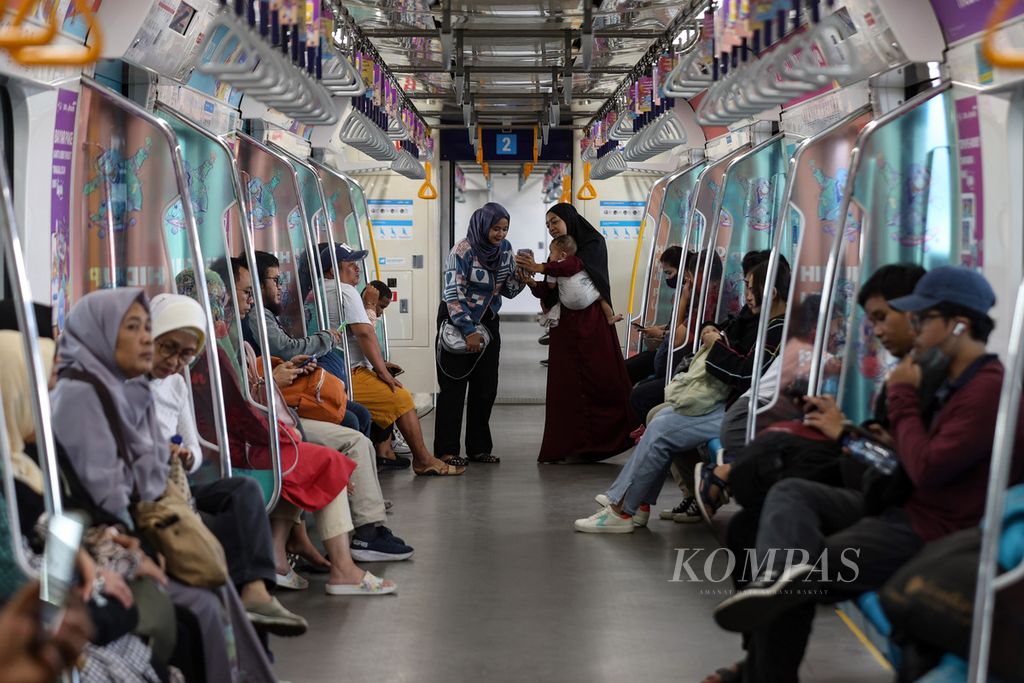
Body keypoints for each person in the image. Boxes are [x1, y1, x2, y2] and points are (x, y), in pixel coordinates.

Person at [709, 267, 1024, 683]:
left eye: (922, 320)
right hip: (902, 504)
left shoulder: (984, 389)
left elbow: (927, 468)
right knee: (787, 503)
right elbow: (917, 456)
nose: (912, 328)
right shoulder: (949, 380)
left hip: (929, 526)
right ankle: (774, 590)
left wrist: (901, 400)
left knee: (798, 574)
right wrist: (881, 435)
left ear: (958, 325)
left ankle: (766, 650)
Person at [49, 288, 279, 683]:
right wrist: (138, 551)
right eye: (134, 327)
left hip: (134, 522)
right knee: (207, 592)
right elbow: (102, 498)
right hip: (112, 537)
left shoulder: (123, 388)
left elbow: (153, 473)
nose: (145, 339)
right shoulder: (81, 396)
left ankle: (252, 656)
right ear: (102, 333)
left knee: (223, 561)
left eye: (146, 327)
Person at [176, 269, 399, 595]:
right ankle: (343, 569)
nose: (248, 300)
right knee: (325, 463)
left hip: (237, 438)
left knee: (316, 453)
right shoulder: (211, 349)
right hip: (236, 448)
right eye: (242, 292)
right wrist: (288, 432)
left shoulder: (210, 342)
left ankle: (279, 557)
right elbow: (240, 412)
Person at [574, 256, 789, 533]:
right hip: (738, 405)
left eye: (749, 288)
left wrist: (716, 347)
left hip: (749, 413)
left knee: (663, 426)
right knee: (663, 416)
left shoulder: (777, 329)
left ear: (770, 292)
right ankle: (633, 506)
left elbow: (747, 376)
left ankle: (621, 509)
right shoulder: (766, 322)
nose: (745, 296)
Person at [147, 293, 309, 636]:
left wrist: (186, 457)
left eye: (186, 355)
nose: (176, 362)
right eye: (168, 348)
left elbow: (191, 446)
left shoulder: (175, 383)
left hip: (175, 479)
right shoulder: (130, 383)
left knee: (243, 490)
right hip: (148, 488)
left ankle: (257, 591)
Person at [321, 243, 463, 476]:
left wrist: (379, 365)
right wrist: (382, 371)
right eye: (350, 265)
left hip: (335, 367)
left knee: (387, 389)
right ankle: (423, 460)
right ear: (331, 270)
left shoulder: (318, 290)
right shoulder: (343, 291)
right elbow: (364, 333)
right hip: (347, 372)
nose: (357, 269)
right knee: (401, 397)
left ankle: (385, 450)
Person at [515, 202, 637, 463]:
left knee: (603, 381)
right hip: (565, 329)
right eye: (547, 224)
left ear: (569, 219)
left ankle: (613, 440)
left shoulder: (593, 243)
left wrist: (542, 267)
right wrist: (531, 283)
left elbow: (575, 266)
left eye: (555, 221)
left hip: (593, 326)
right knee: (566, 389)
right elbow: (549, 290)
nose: (551, 228)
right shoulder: (552, 255)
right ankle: (568, 447)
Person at [435, 202, 524, 465]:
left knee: (486, 389)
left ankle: (478, 448)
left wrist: (522, 277)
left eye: (505, 229)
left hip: (488, 322)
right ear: (483, 225)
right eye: (496, 229)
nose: (501, 234)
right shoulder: (462, 250)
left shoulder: (505, 250)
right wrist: (468, 328)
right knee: (453, 388)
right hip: (457, 320)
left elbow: (507, 290)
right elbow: (453, 294)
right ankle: (447, 450)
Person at [626, 244, 683, 385]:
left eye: (670, 273)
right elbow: (674, 324)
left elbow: (682, 334)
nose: (668, 278)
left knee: (628, 371)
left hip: (675, 356)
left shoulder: (690, 298)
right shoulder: (681, 295)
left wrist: (660, 333)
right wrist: (657, 329)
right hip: (664, 351)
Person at [539, 234, 620, 327]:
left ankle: (552, 318)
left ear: (562, 255)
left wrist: (549, 272)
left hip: (568, 303)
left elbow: (551, 286)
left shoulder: (554, 267)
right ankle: (610, 317)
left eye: (551, 252)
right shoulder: (579, 260)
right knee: (602, 295)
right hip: (588, 297)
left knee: (557, 298)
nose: (550, 255)